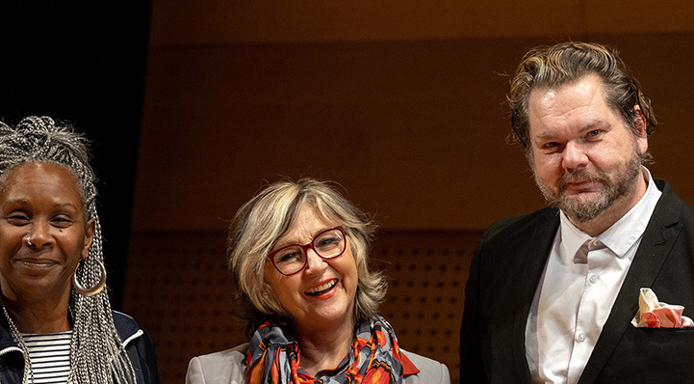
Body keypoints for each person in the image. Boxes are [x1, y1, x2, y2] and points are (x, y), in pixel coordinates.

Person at [460, 41, 694, 383]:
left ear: (639, 129)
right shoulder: (499, 251)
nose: (572, 160)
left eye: (592, 134)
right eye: (551, 145)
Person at [0, 116, 159, 383]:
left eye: (60, 219)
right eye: (19, 217)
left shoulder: (127, 343)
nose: (38, 237)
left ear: (87, 237)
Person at [185, 178, 449, 384]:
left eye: (327, 242)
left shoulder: (428, 376)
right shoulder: (211, 375)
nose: (315, 265)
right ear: (262, 282)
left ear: (355, 253)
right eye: (290, 255)